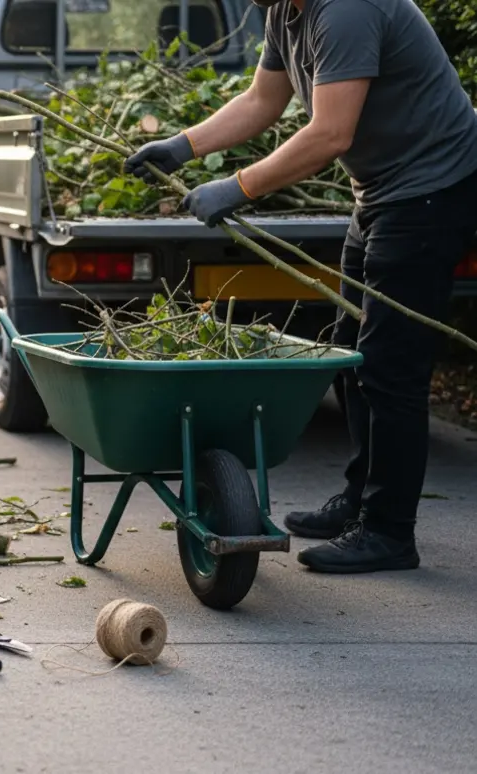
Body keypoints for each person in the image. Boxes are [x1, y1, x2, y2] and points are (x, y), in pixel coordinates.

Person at [123, 0, 477, 574]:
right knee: (351, 354)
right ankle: (361, 503)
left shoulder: (347, 10)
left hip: (430, 193)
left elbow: (331, 133)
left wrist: (238, 186)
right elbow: (264, 100)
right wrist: (183, 145)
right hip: (381, 196)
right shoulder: (286, 11)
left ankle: (388, 532)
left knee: (389, 369)